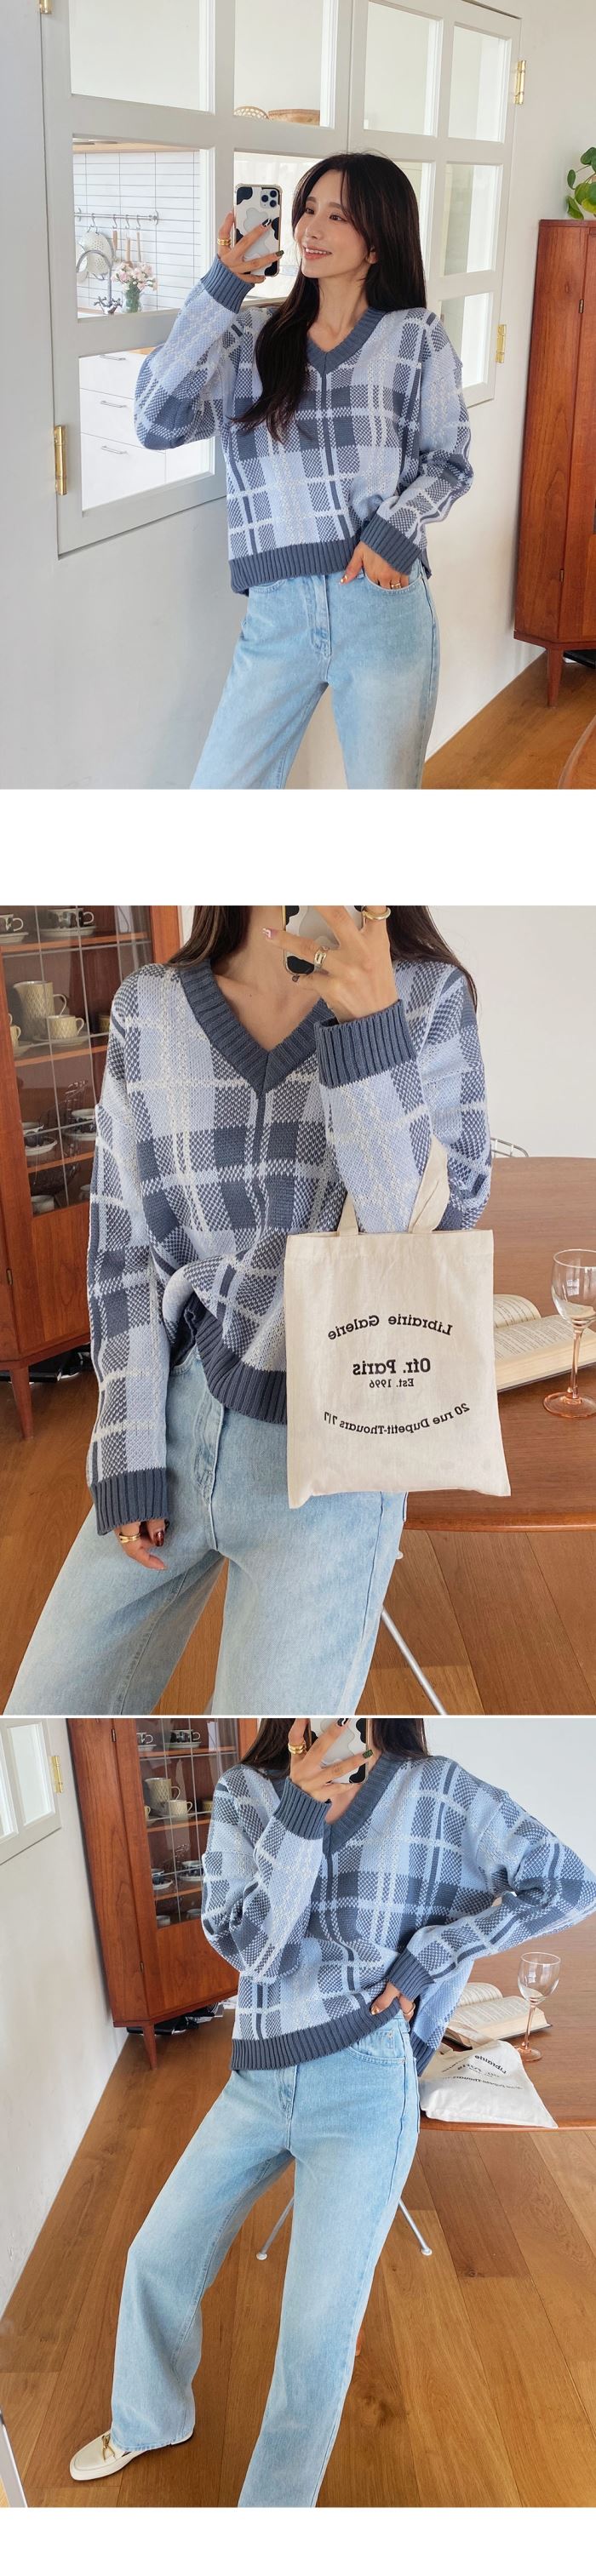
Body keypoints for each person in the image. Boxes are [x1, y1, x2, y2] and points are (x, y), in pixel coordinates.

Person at [69, 1716, 596, 2507]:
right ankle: (149, 2420)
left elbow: (568, 1882)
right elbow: (255, 1952)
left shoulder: (437, 1790)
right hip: (258, 2079)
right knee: (157, 2256)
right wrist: (300, 1811)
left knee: (315, 2335)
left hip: (364, 2083)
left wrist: (431, 1957)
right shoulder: (246, 1793)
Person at [6, 904, 490, 1720]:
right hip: (175, 1419)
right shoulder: (150, 1008)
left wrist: (372, 1030)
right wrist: (127, 1455)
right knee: (36, 1714)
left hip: (335, 1454)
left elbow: (424, 1244)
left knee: (267, 1747)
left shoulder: (426, 998)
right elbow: (125, 1252)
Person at [134, 155, 473, 790]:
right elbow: (156, 424)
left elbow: (449, 460)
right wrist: (220, 291)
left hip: (380, 603)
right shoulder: (250, 338)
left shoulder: (415, 337)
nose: (310, 229)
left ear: (379, 242)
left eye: (337, 216)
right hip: (278, 610)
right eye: (307, 210)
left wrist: (393, 532)